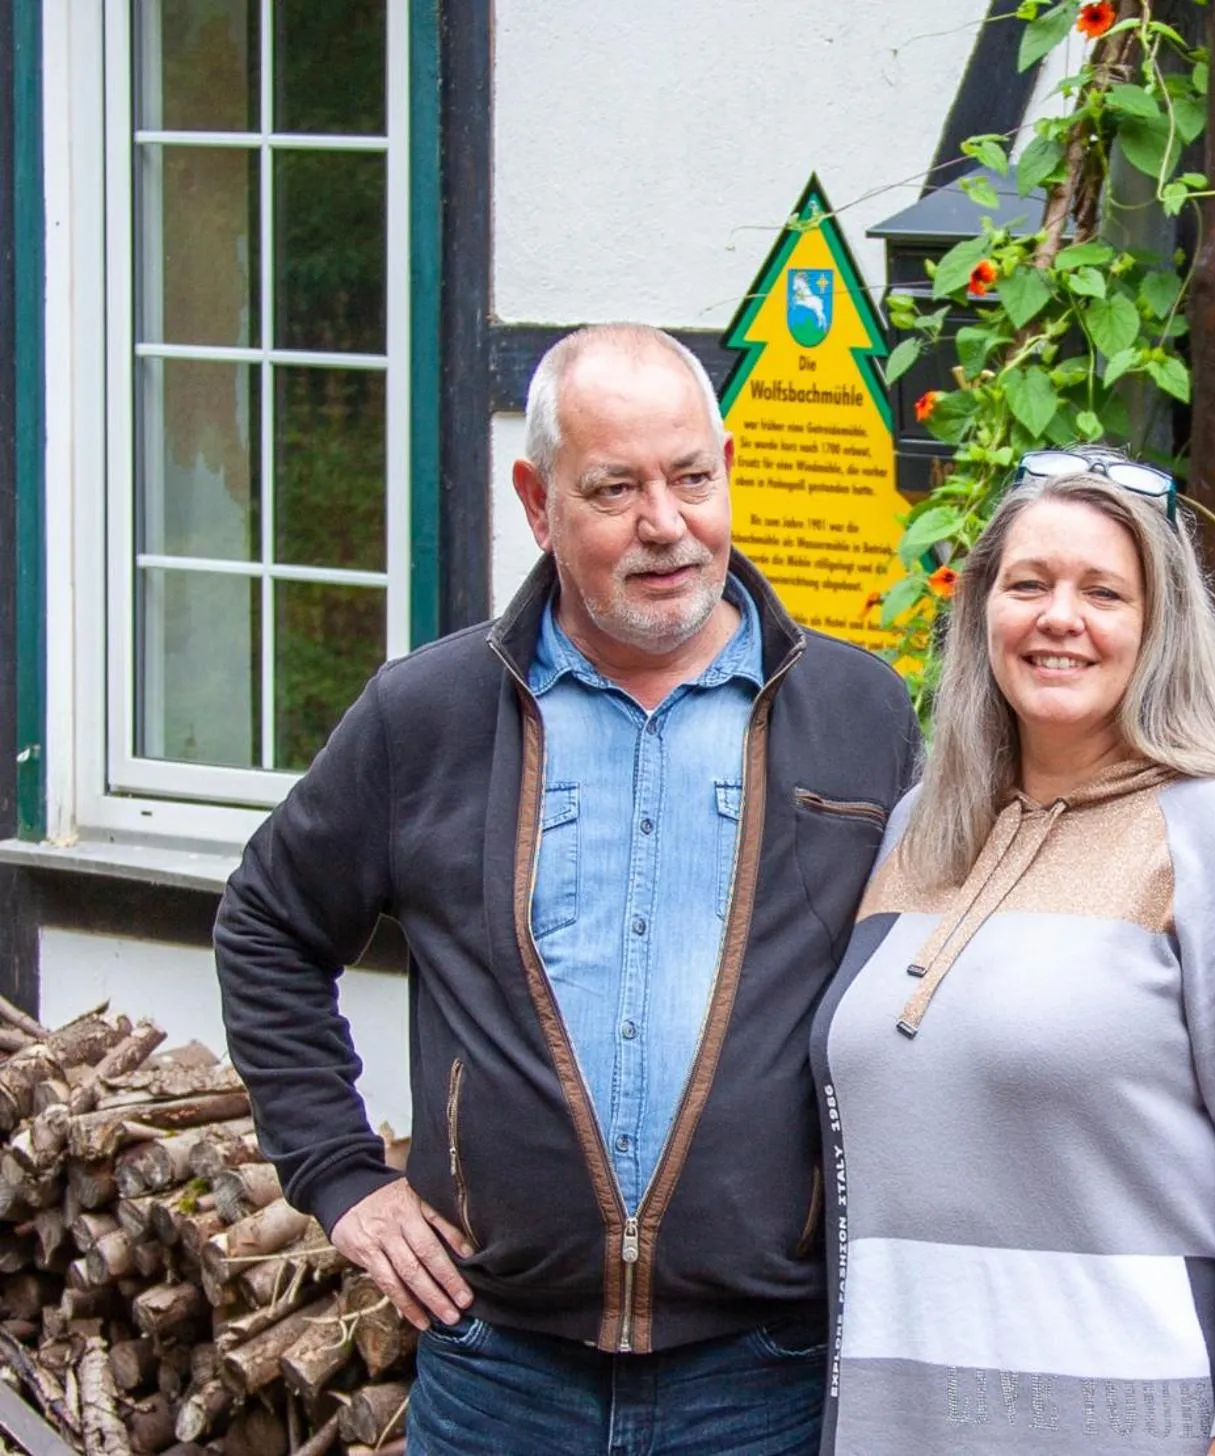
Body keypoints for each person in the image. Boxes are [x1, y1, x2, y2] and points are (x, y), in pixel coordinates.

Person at [213, 324, 919, 1455]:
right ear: (537, 504)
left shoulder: (859, 714)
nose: (665, 524)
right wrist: (340, 1173)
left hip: (765, 1378)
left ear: (728, 469)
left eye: (691, 477)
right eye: (615, 488)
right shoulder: (428, 715)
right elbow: (265, 925)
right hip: (501, 1373)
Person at [810, 450, 1215, 1456]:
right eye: (1029, 584)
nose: (1059, 617)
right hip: (913, 1426)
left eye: (1103, 591)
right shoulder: (918, 831)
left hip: (1151, 1427)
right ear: (983, 611)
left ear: (1159, 628)